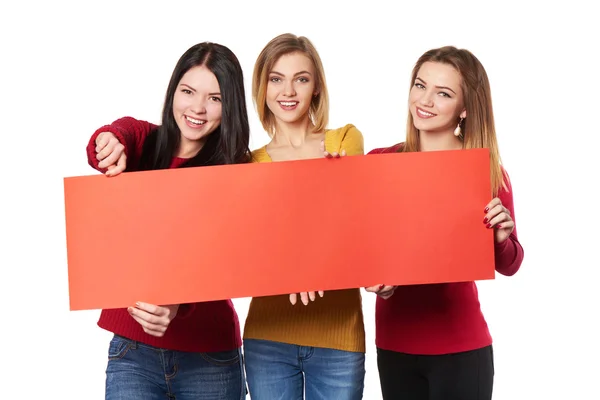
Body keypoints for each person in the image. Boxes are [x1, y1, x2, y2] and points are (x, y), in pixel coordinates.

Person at [85, 41, 251, 400]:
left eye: (215, 98)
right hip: (133, 354)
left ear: (231, 106)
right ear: (173, 91)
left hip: (210, 357)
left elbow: (232, 261)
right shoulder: (146, 145)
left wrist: (179, 302)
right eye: (188, 91)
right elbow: (121, 132)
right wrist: (109, 139)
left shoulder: (238, 171)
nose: (197, 108)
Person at [365, 46, 524, 400]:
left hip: (461, 347)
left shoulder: (486, 172)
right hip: (395, 344)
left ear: (465, 109)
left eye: (444, 93)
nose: (425, 100)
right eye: (420, 86)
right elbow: (364, 247)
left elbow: (511, 264)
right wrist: (374, 278)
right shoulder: (379, 163)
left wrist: (500, 237)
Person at [242, 33, 366, 400]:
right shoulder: (248, 164)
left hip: (339, 336)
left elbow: (354, 226)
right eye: (276, 78)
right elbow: (248, 249)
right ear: (262, 88)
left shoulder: (344, 141)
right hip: (268, 338)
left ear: (316, 87)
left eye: (301, 78)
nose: (288, 90)